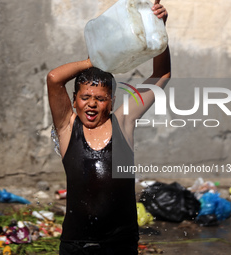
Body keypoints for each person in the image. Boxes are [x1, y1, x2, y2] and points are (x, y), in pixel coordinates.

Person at [47, 1, 170, 254]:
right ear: (74, 101)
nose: (91, 105)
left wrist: (157, 29)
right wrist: (93, 60)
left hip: (120, 243)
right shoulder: (67, 127)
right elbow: (54, 78)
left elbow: (162, 75)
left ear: (111, 102)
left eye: (100, 99)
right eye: (85, 98)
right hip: (76, 244)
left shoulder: (123, 121)